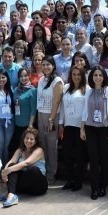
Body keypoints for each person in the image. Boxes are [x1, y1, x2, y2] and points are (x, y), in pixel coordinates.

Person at [80, 66, 108, 200]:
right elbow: (85, 111)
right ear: (91, 77)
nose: (97, 77)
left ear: (104, 77)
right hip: (90, 129)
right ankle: (94, 188)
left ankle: (103, 186)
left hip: (104, 130)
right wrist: (82, 128)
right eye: (95, 75)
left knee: (105, 159)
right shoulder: (89, 92)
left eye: (100, 75)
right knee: (93, 159)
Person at [0, 128, 48, 207]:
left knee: (32, 169)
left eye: (31, 139)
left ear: (35, 141)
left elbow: (27, 163)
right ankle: (11, 195)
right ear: (23, 139)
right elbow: (11, 162)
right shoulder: (20, 150)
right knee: (12, 166)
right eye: (27, 138)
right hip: (25, 187)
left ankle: (11, 192)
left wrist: (8, 170)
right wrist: (5, 172)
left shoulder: (39, 150)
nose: (28, 141)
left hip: (38, 186)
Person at [59, 66, 87, 191]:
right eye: (74, 74)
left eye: (78, 74)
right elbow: (63, 108)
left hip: (80, 127)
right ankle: (69, 180)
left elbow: (87, 110)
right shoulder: (65, 88)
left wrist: (83, 127)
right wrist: (61, 124)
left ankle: (78, 181)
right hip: (68, 126)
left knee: (80, 156)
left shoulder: (87, 89)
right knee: (67, 154)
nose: (76, 77)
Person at [36, 56, 64, 184]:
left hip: (51, 116)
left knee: (51, 146)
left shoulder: (57, 81)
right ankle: (43, 171)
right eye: (44, 64)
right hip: (41, 114)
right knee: (42, 144)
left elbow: (57, 101)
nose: (46, 67)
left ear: (53, 66)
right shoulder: (41, 79)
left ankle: (51, 174)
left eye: (48, 64)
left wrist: (52, 119)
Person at [11, 68, 37, 159]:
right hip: (17, 123)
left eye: (25, 75)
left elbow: (33, 110)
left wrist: (30, 125)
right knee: (18, 148)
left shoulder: (32, 90)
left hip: (27, 125)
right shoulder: (16, 90)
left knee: (27, 149)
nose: (23, 78)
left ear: (29, 76)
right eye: (21, 76)